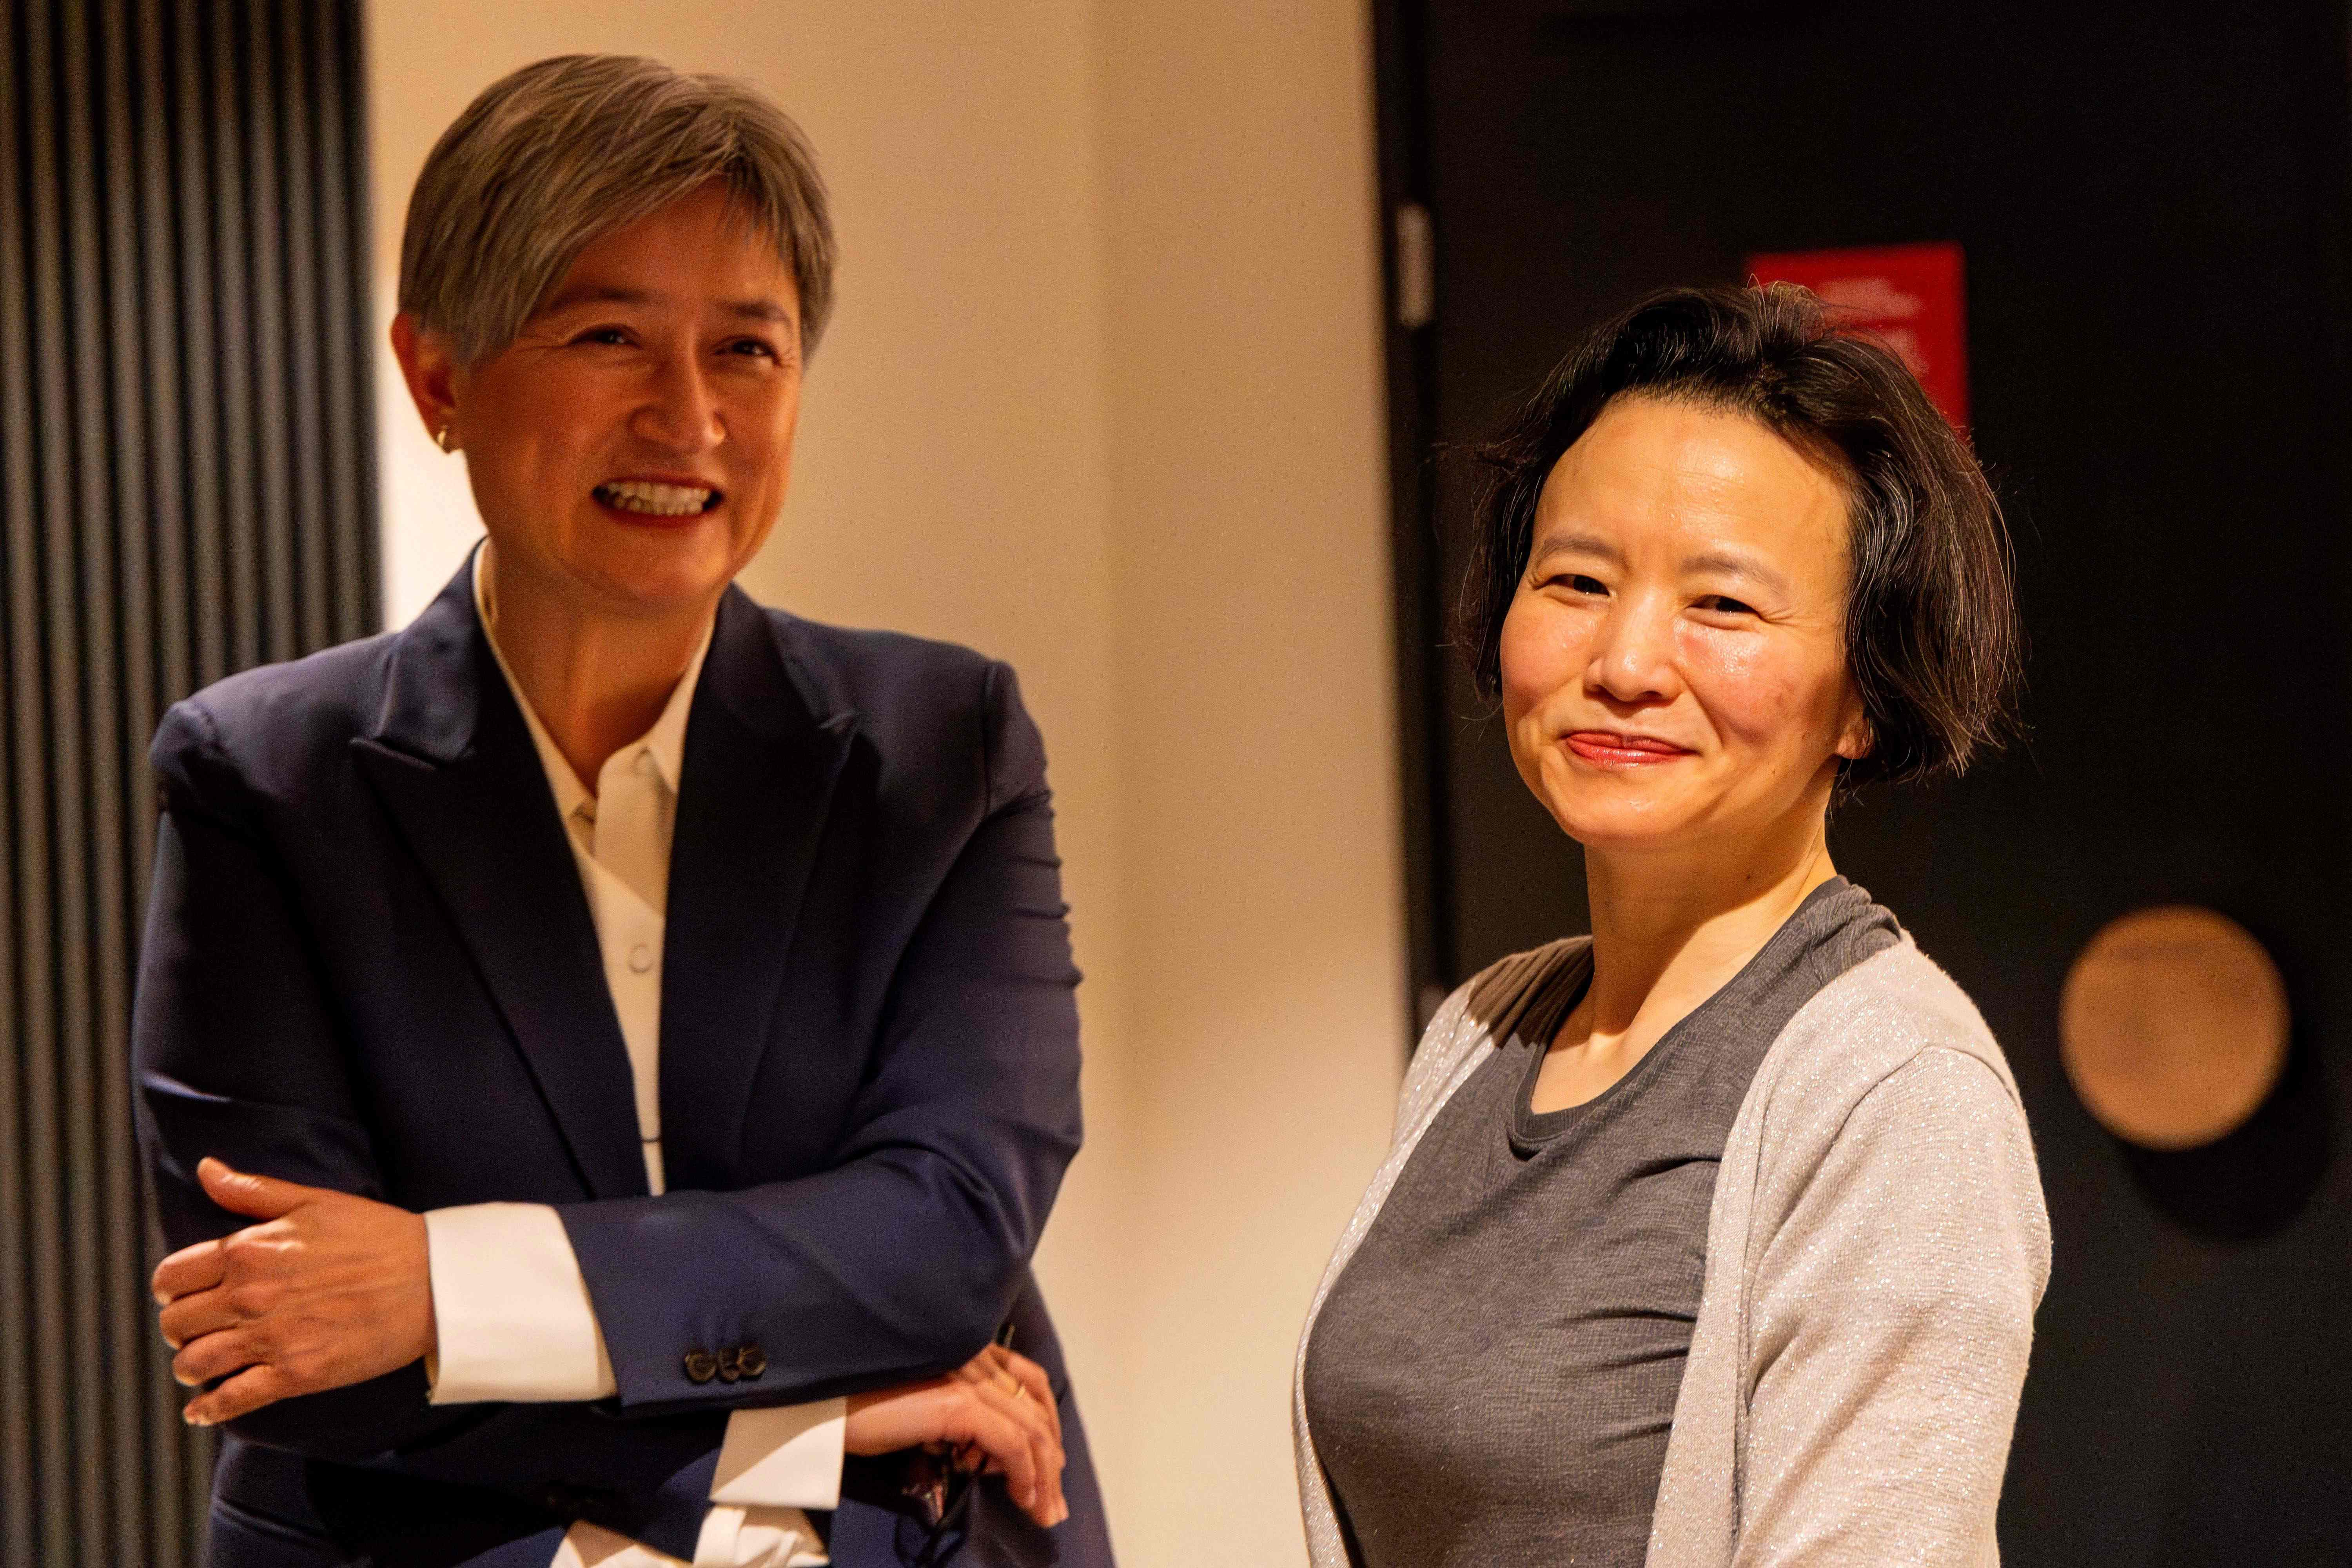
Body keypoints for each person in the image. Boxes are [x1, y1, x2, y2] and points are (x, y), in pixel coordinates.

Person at [132, 54, 1113, 1568]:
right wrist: (802, 1418)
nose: (689, 417)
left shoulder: (938, 750)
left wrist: (450, 1290)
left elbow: (944, 1237)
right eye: (609, 337)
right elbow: (275, 1328)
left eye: (749, 350)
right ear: (438, 377)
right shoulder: (267, 778)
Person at [1294, 284, 2051, 1568]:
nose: (1628, 660)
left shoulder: (1896, 1093)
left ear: (1866, 694)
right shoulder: (1483, 1033)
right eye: (1578, 579)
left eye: (1724, 605)